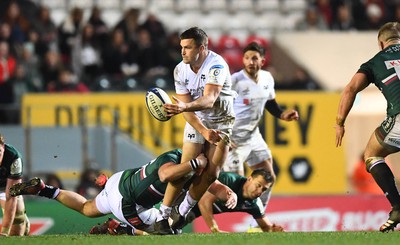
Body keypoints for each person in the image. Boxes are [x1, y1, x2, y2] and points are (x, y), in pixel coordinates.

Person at [9, 149, 209, 235]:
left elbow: (207, 180)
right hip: (127, 203)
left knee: (86, 208)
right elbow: (165, 175)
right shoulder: (179, 163)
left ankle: (44, 190)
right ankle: (121, 227)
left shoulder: (174, 154)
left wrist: (223, 187)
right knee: (165, 230)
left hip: (119, 181)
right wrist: (196, 163)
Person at [155, 26, 236, 234]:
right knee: (185, 169)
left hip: (222, 121)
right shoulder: (179, 69)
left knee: (210, 174)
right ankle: (162, 217)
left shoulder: (217, 65)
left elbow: (209, 100)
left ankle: (182, 212)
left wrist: (184, 107)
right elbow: (188, 110)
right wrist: (202, 130)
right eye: (181, 47)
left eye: (188, 47)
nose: (183, 52)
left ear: (201, 48)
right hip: (197, 119)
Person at [335, 22, 400, 233]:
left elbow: (350, 89)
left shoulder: (375, 62)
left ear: (381, 44)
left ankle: (398, 207)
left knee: (372, 154)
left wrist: (339, 123)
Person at [222, 42, 299, 213]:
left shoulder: (267, 78)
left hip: (253, 136)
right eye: (247, 58)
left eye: (254, 58)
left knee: (268, 177)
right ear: (243, 60)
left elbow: (270, 103)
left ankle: (260, 215)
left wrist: (281, 114)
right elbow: (218, 107)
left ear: (262, 61)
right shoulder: (235, 81)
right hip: (234, 139)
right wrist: (223, 135)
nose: (250, 62)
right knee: (238, 186)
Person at [91, 169, 283, 234]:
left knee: (168, 231)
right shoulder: (230, 182)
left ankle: (119, 226)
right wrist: (214, 228)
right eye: (258, 185)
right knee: (164, 229)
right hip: (185, 197)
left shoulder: (253, 204)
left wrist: (271, 229)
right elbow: (205, 201)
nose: (259, 191)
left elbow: (264, 225)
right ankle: (120, 224)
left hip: (190, 211)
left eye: (263, 189)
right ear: (249, 179)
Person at [0, 133, 30, 236]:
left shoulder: (14, 157)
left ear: (3, 147)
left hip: (5, 186)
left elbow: (11, 197)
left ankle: (22, 221)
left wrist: (4, 231)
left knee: (17, 218)